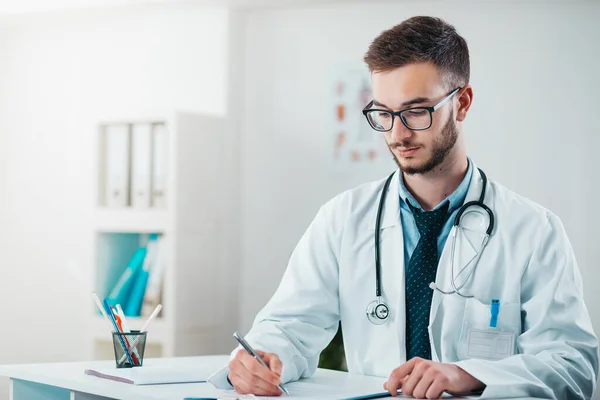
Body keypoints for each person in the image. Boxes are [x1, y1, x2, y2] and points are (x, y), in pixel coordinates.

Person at [218, 16, 599, 399]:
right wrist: (261, 359)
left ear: (462, 103)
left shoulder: (533, 231)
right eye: (383, 113)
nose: (398, 134)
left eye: (417, 112)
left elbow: (574, 366)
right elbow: (288, 327)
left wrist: (468, 375)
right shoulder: (342, 219)